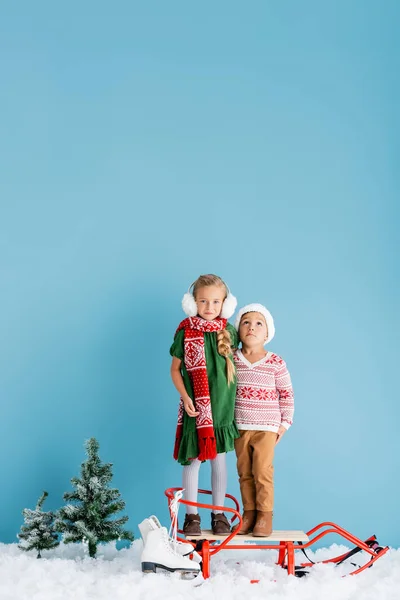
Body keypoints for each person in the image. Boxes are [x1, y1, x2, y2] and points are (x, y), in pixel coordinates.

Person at [170, 274, 238, 536]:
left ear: (225, 304)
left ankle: (218, 514)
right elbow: (175, 370)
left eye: (216, 302)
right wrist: (186, 397)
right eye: (203, 301)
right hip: (195, 408)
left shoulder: (228, 332)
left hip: (221, 410)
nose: (209, 307)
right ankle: (192, 516)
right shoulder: (185, 332)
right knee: (194, 460)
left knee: (219, 461)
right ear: (192, 303)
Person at [233, 303, 294, 537]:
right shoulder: (232, 359)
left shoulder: (275, 362)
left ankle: (264, 515)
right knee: (244, 472)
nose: (252, 327)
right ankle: (249, 513)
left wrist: (283, 425)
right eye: (246, 322)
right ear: (238, 330)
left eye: (259, 323)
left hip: (267, 427)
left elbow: (287, 394)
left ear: (267, 333)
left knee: (262, 471)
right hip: (239, 426)